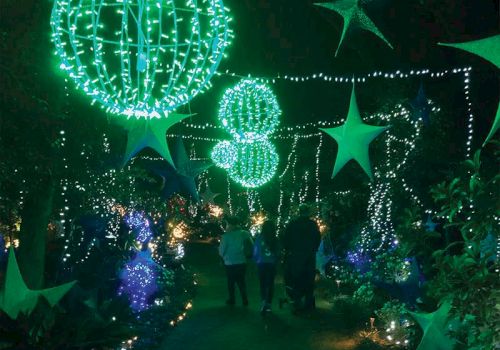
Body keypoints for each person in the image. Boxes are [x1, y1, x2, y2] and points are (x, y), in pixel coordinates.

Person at [282, 204, 321, 312]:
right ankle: (308, 303)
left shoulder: (293, 224)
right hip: (309, 256)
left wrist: (289, 250)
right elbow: (317, 238)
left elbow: (286, 239)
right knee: (308, 280)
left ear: (299, 212)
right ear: (307, 212)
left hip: (296, 256)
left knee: (296, 280)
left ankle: (297, 303)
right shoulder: (312, 224)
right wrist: (313, 249)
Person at [218, 216, 253, 306]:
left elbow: (221, 251)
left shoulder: (226, 236)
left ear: (229, 224)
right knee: (241, 281)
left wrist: (222, 257)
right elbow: (251, 245)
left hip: (229, 262)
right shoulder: (245, 234)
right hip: (241, 261)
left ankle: (232, 299)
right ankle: (245, 299)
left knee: (231, 282)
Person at [253, 220, 279, 314]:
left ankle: (263, 301)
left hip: (261, 264)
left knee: (262, 284)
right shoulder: (275, 239)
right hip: (271, 264)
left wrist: (256, 261)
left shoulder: (259, 238)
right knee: (270, 284)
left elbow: (255, 252)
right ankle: (269, 304)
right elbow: (277, 253)